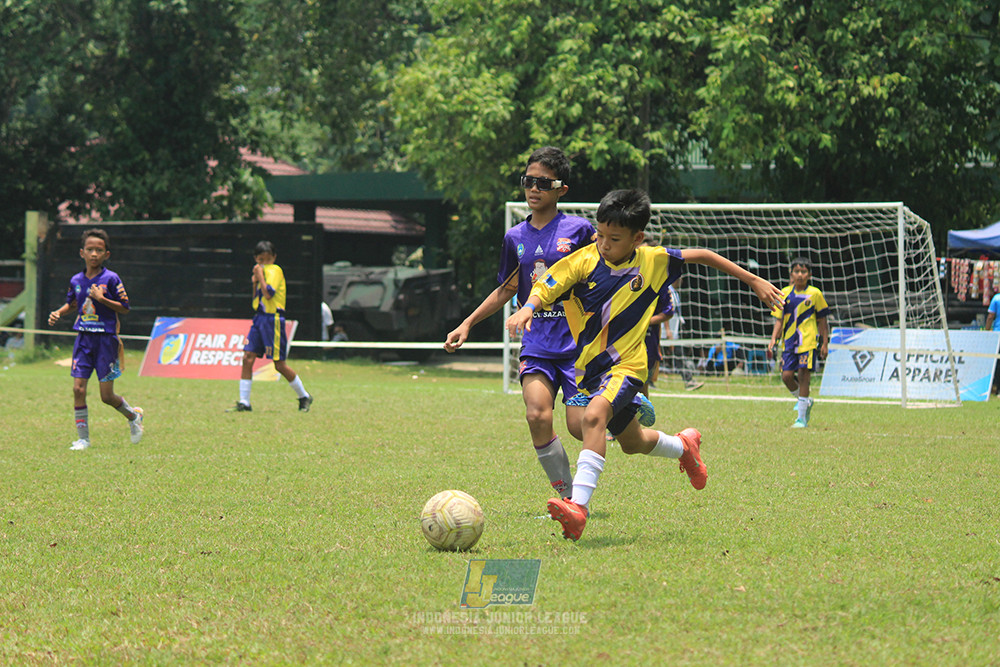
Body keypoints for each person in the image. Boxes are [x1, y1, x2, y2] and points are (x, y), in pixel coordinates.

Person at [507, 189, 785, 541]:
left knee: (594, 418)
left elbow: (702, 254)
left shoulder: (654, 261)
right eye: (600, 234)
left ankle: (578, 508)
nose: (604, 244)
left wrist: (754, 279)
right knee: (630, 441)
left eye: (614, 238)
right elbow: (547, 285)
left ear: (637, 238)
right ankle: (685, 447)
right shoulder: (584, 260)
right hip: (588, 370)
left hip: (628, 367)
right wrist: (528, 307)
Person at [445, 147, 609, 500]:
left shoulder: (579, 230)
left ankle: (619, 408)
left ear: (561, 189)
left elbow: (603, 274)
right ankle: (568, 497)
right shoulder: (514, 237)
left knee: (579, 427)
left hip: (576, 347)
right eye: (528, 181)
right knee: (537, 415)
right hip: (536, 343)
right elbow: (507, 288)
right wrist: (468, 323)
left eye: (542, 183)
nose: (533, 189)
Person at [47, 228, 144, 451]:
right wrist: (59, 312)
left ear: (106, 254)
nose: (94, 254)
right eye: (90, 249)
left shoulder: (111, 278)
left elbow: (125, 307)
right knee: (78, 389)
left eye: (99, 250)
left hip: (106, 341)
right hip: (83, 340)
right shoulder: (76, 280)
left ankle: (133, 416)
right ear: (82, 252)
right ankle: (83, 439)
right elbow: (73, 304)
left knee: (106, 396)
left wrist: (102, 299)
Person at [233, 241, 313, 412]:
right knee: (248, 357)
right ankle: (244, 402)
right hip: (259, 318)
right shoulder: (260, 271)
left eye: (268, 259)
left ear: (274, 258)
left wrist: (260, 276)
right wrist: (254, 282)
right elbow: (256, 301)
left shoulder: (274, 270)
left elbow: (269, 294)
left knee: (279, 364)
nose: (265, 262)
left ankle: (304, 395)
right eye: (261, 259)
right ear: (255, 258)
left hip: (273, 320)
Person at [768, 256, 830, 428]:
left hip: (808, 341)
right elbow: (779, 319)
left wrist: (825, 343)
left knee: (804, 375)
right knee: (787, 376)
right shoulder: (784, 293)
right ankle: (804, 401)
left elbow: (822, 320)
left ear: (809, 275)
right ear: (791, 274)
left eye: (803, 271)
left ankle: (801, 418)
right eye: (797, 271)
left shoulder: (815, 294)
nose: (800, 275)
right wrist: (774, 337)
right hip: (789, 342)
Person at [662, 276, 703, 391]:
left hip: (674, 332)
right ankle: (689, 381)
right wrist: (668, 330)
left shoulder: (675, 293)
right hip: (666, 333)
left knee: (678, 356)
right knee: (655, 358)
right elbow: (664, 311)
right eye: (680, 278)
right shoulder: (667, 290)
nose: (682, 281)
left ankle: (689, 381)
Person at [986, 291, 1000, 395]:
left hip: (997, 333)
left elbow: (991, 316)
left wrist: (987, 330)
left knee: (996, 362)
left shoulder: (996, 298)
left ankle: (995, 387)